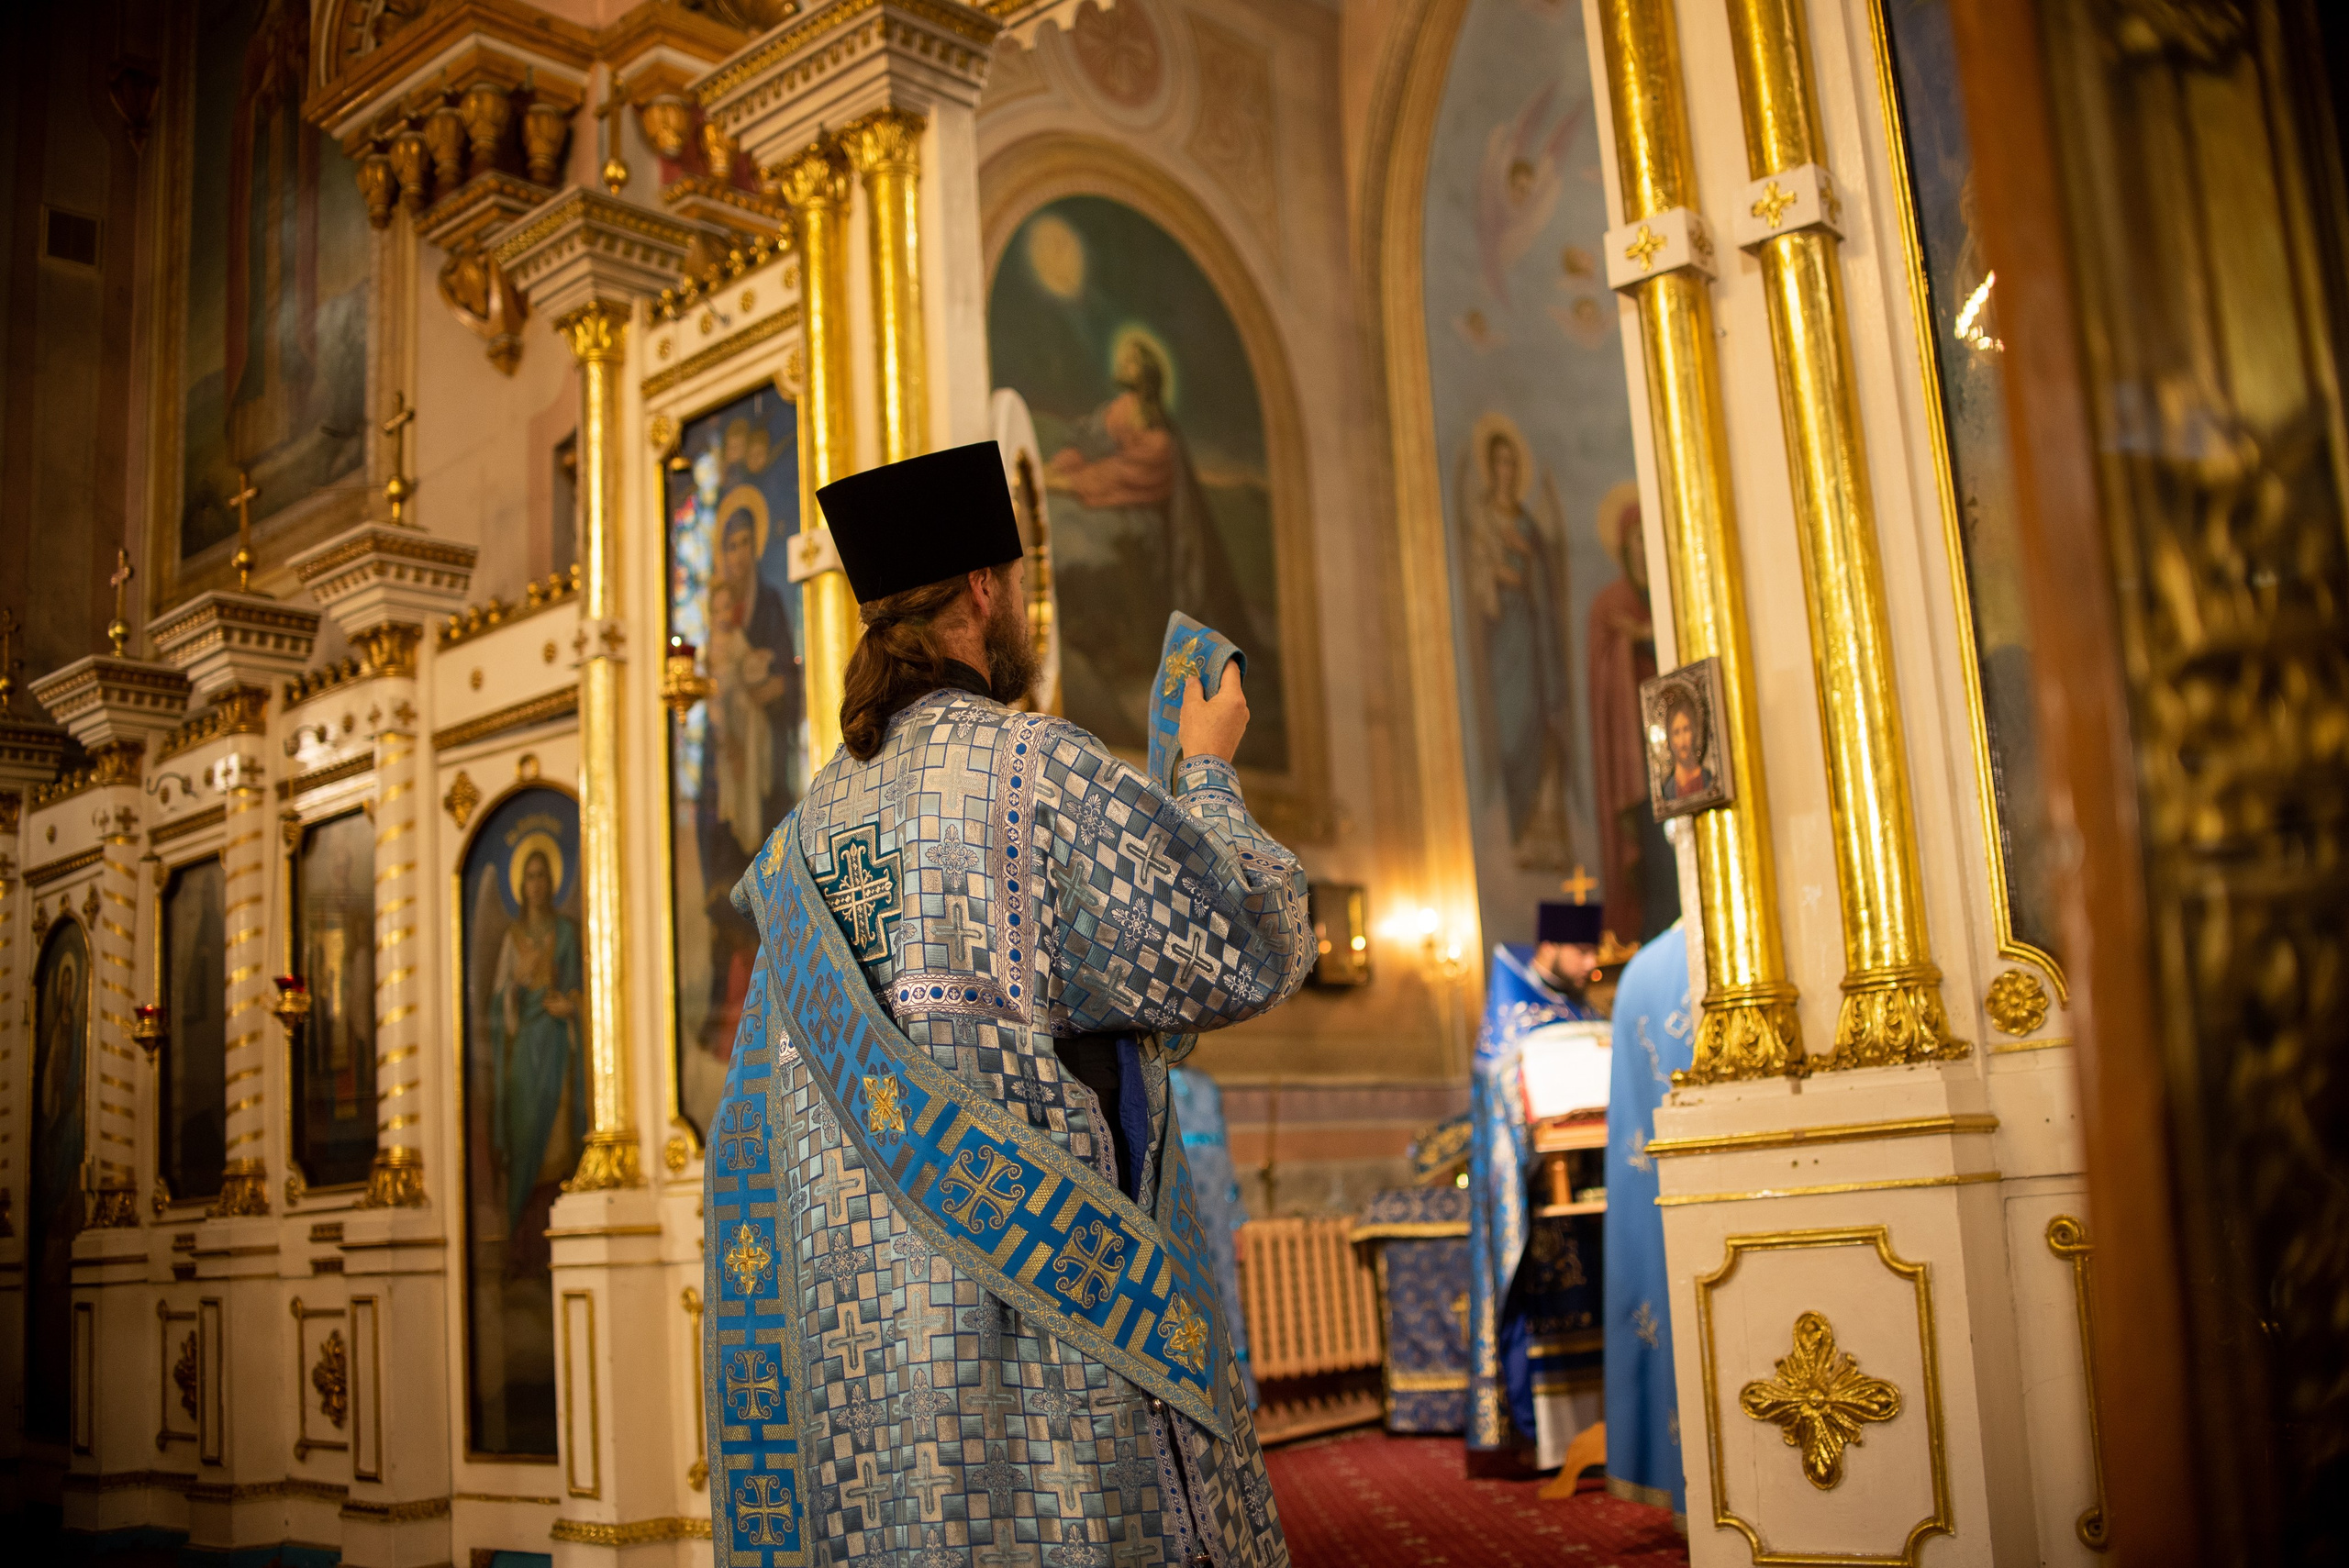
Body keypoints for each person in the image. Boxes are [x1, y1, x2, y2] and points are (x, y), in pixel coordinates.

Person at [703, 440, 1308, 1567]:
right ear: (984, 590)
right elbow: (1244, 948)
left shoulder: (796, 841)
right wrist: (1209, 772)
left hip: (863, 1379)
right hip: (1046, 1352)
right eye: (1017, 580)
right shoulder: (1035, 768)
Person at [1659, 684, 1716, 805]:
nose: (1682, 741)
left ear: (1694, 732)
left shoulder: (1708, 779)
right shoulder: (1668, 791)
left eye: (1686, 729)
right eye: (1676, 732)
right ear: (1670, 739)